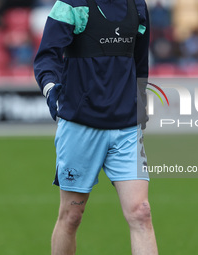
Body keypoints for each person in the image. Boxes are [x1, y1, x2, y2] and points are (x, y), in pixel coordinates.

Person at [33, 0, 158, 254]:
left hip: (126, 127)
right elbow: (47, 57)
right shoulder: (70, 4)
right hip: (81, 126)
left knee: (141, 213)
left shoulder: (138, 6)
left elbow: (140, 62)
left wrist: (140, 101)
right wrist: (50, 91)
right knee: (72, 216)